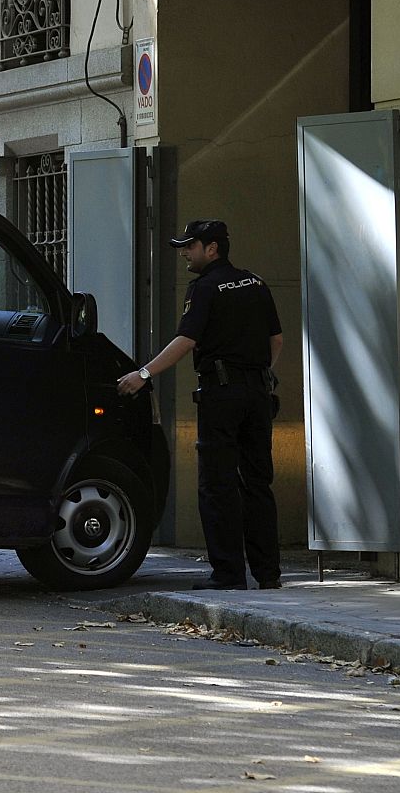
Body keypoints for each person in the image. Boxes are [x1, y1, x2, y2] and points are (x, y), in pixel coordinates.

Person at [118, 219, 284, 591]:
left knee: (218, 484)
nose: (184, 254)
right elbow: (277, 339)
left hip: (222, 396)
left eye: (189, 247)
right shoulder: (256, 283)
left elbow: (186, 340)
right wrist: (263, 377)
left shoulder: (204, 287)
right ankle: (268, 573)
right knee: (258, 483)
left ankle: (228, 573)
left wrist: (143, 374)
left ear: (213, 249)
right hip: (258, 394)